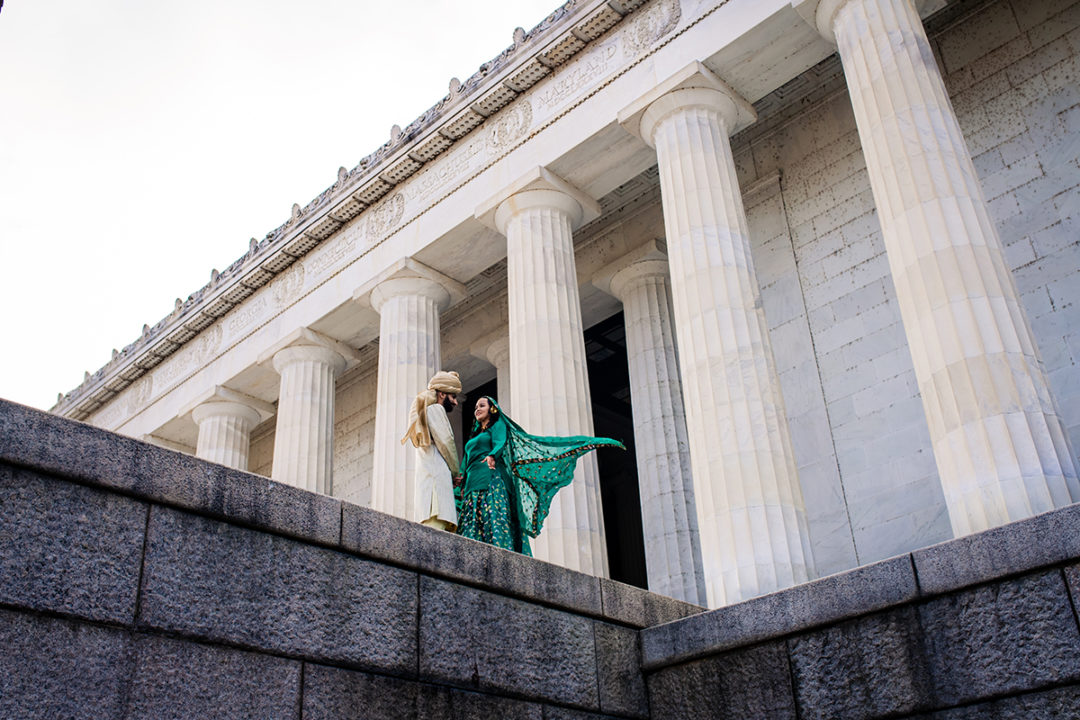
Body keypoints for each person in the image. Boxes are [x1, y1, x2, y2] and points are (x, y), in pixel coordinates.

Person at [456, 396, 623, 555]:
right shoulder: (476, 435)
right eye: (476, 407)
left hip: (489, 478)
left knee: (492, 516)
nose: (477, 409)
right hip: (472, 481)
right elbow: (467, 459)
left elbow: (500, 441)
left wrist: (493, 454)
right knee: (472, 519)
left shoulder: (497, 426)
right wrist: (461, 478)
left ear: (492, 409)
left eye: (482, 406)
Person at [402, 371, 463, 532]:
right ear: (442, 394)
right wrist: (455, 472)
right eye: (453, 396)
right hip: (436, 479)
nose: (456, 403)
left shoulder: (424, 412)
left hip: (428, 478)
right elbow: (447, 442)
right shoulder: (435, 409)